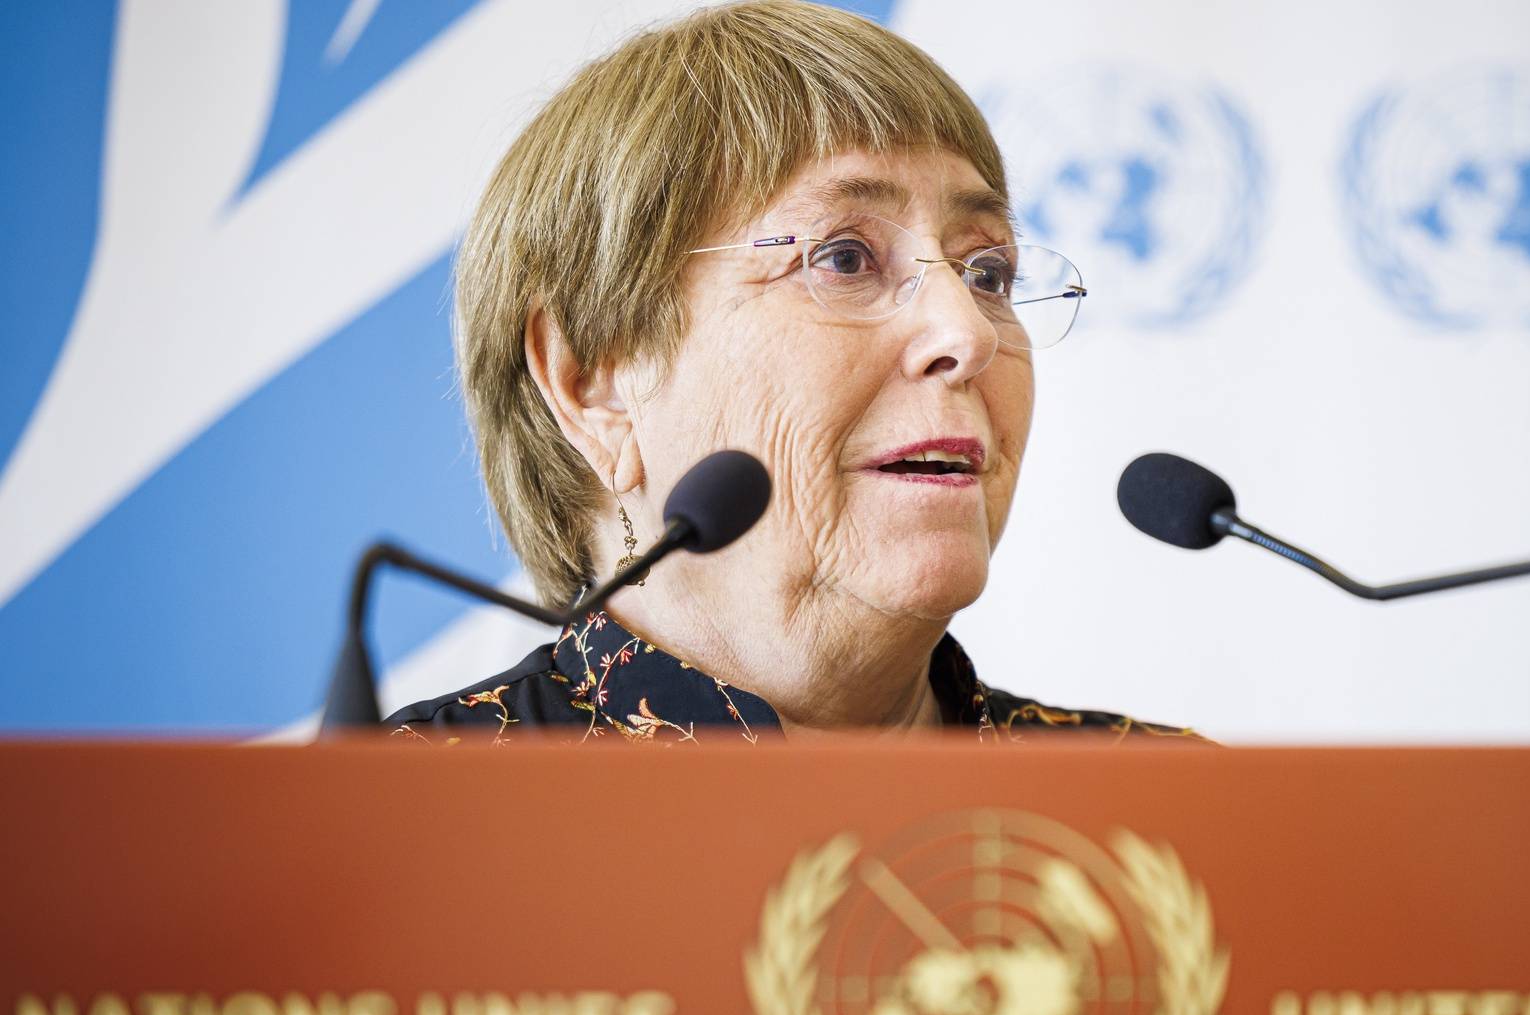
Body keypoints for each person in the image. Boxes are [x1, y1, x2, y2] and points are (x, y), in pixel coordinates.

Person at [388, 0, 1192, 743]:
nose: (967, 334)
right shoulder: (404, 814)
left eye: (987, 272)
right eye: (844, 257)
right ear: (592, 383)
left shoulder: (1182, 811)